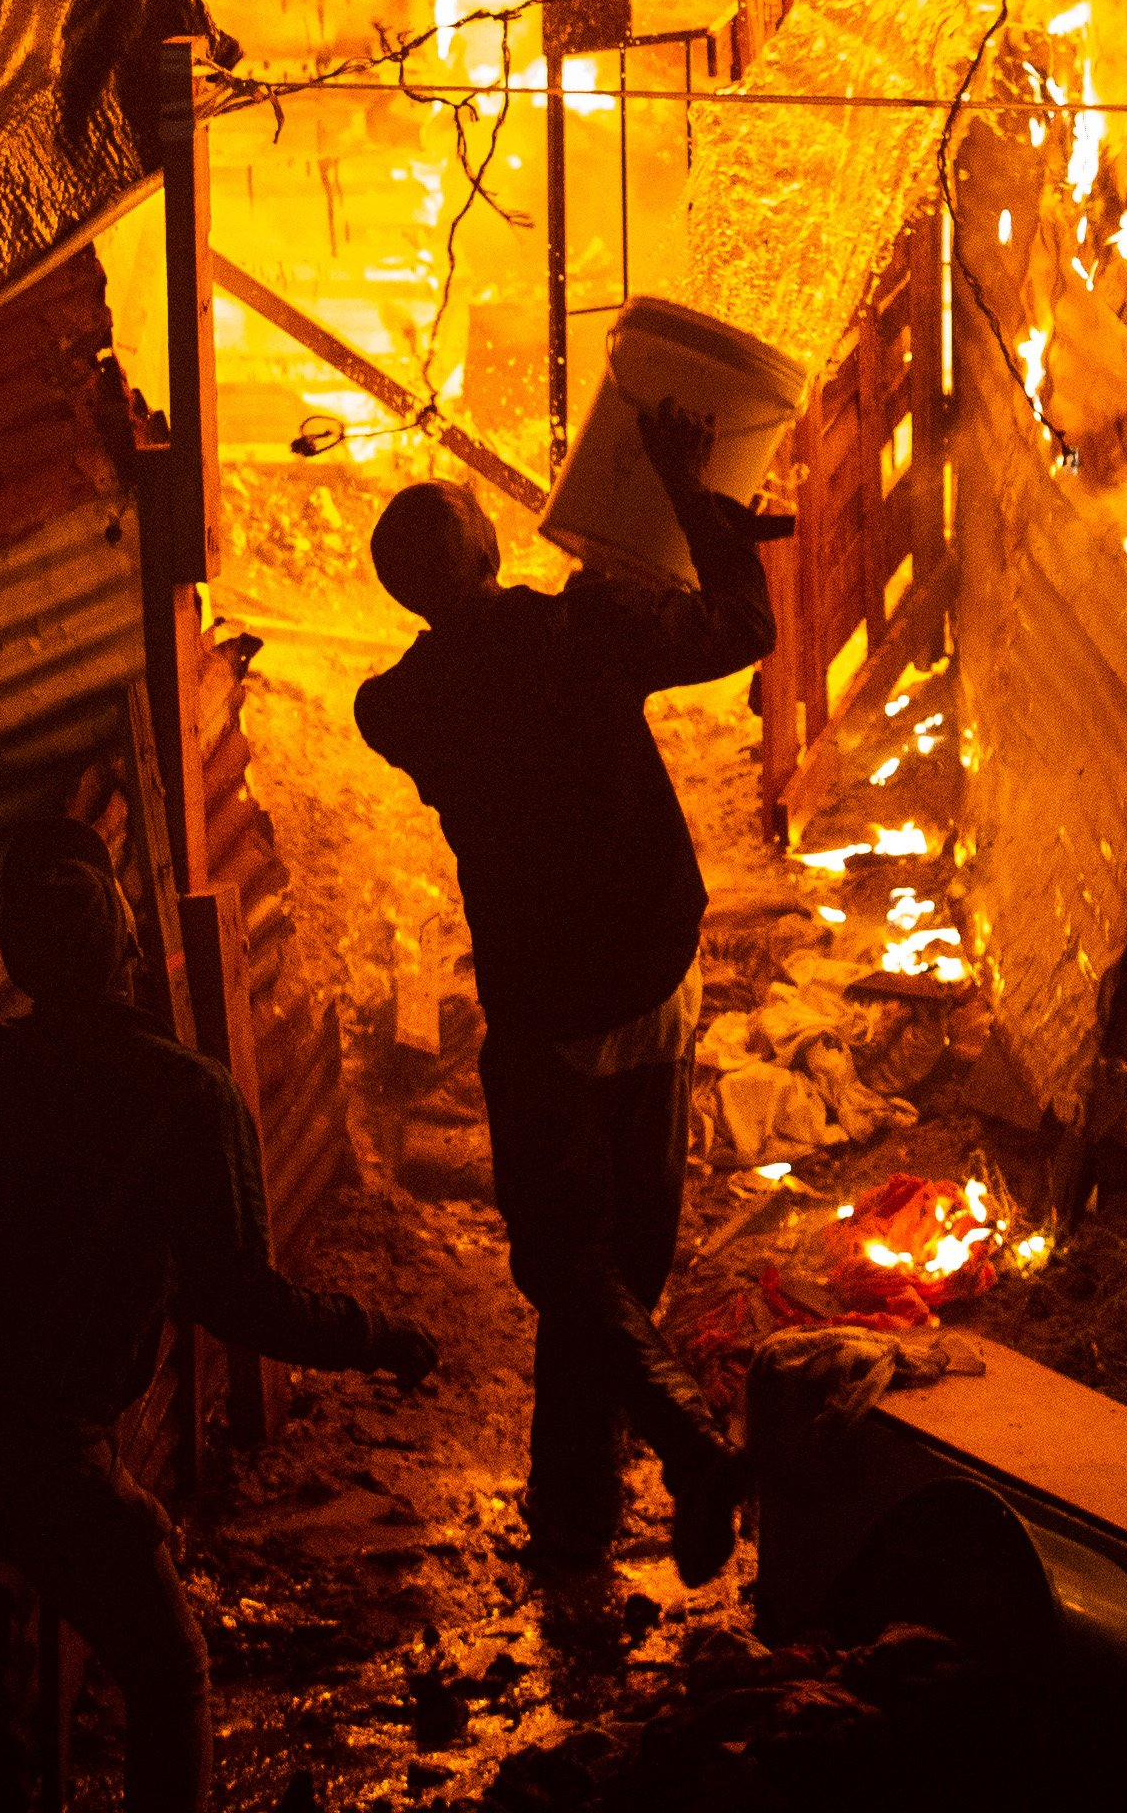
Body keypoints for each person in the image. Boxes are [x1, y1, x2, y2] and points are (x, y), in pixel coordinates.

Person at [0, 818, 435, 1813]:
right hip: (47, 1448)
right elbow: (242, 1301)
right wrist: (383, 1336)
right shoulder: (189, 1099)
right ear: (131, 946)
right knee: (167, 1670)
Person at [352, 397, 782, 1580]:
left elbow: (454, 676)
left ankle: (597, 1497)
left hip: (544, 1008)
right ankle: (629, 1477)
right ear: (496, 551)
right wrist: (695, 504)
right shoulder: (587, 631)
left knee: (567, 1266)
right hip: (651, 977)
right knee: (612, 1265)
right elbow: (742, 623)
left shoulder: (396, 708)